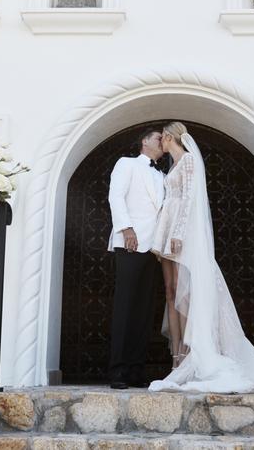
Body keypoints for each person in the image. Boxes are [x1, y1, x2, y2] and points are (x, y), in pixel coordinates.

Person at [150, 121, 254, 393]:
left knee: (185, 290)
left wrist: (178, 232)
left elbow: (190, 198)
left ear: (170, 137)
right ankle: (176, 354)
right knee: (170, 290)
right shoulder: (172, 166)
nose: (160, 144)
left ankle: (190, 350)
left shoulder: (189, 161)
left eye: (162, 139)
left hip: (182, 232)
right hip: (166, 230)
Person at [107, 128, 165, 389]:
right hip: (130, 242)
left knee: (144, 311)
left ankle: (135, 369)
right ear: (144, 142)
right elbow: (116, 196)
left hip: (153, 249)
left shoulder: (162, 175)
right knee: (125, 307)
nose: (162, 142)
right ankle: (118, 370)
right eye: (158, 138)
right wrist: (126, 228)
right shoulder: (127, 164)